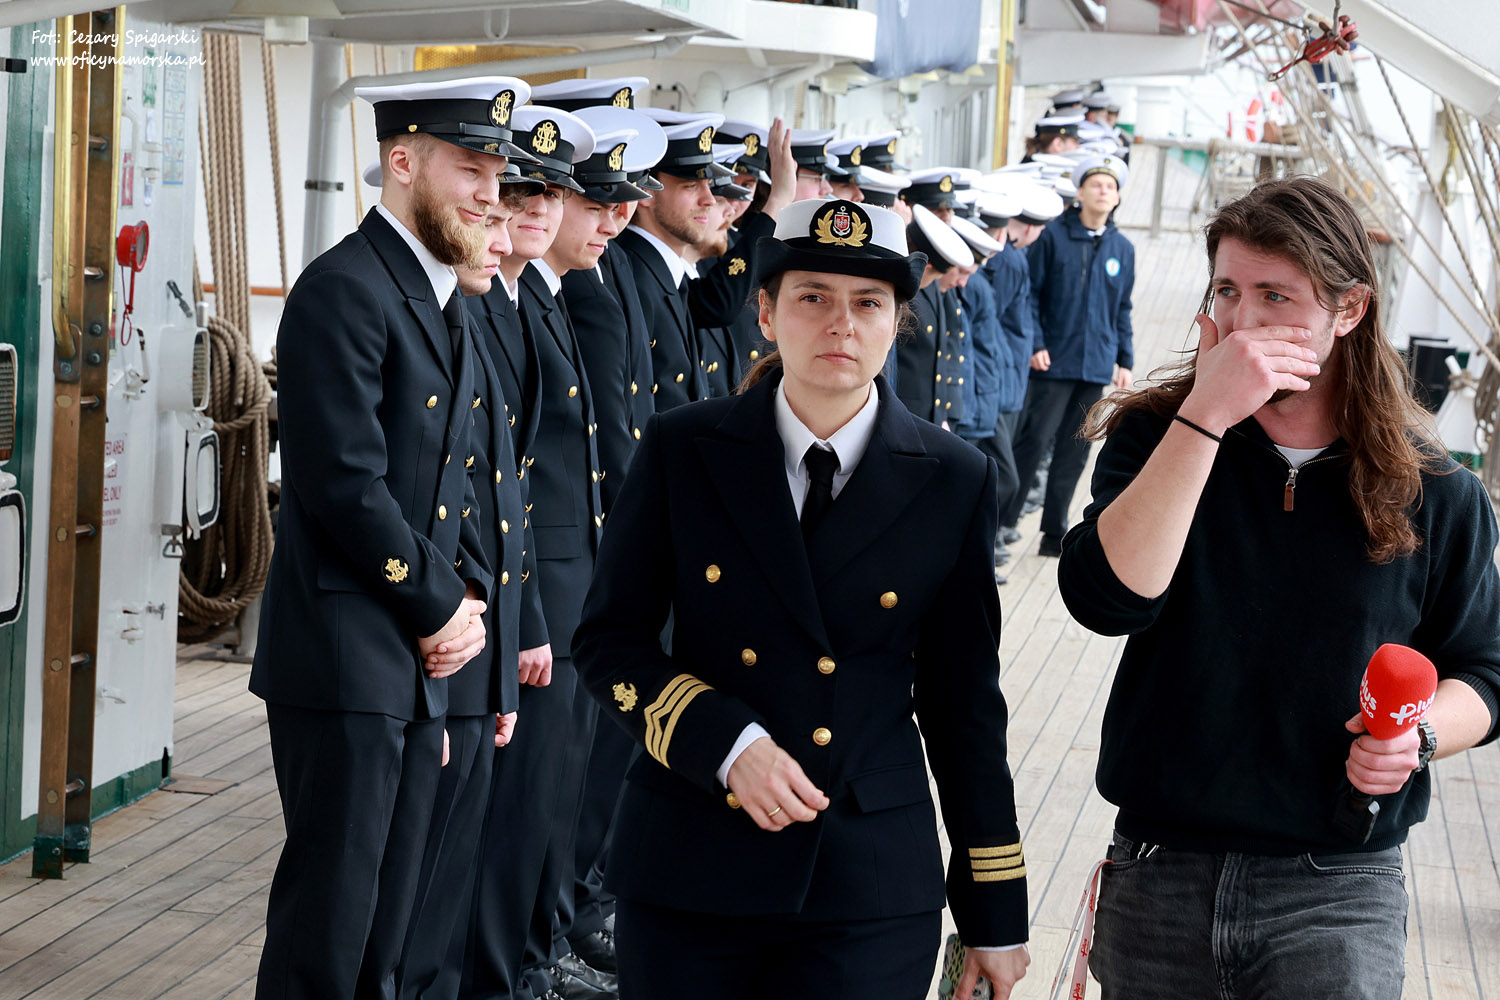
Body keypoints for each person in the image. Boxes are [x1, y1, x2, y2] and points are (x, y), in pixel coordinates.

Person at [572, 197, 1032, 1000]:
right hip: (691, 864)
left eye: (868, 304)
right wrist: (726, 744)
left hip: (867, 880)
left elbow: (963, 706)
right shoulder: (684, 447)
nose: (840, 325)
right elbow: (609, 641)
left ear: (897, 322)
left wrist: (994, 913)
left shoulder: (954, 478)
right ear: (765, 312)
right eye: (812, 297)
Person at [1058, 176, 1500, 999]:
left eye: (1275, 296)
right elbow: (1107, 600)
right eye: (1227, 291)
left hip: (1337, 885)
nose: (1243, 322)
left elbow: (1484, 670)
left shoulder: (1437, 488)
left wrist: (1418, 738)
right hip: (1160, 869)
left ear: (1350, 309)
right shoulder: (1156, 434)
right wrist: (1205, 417)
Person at [249, 75, 531, 999]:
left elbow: (454, 486)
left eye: (496, 174)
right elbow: (342, 481)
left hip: (408, 652)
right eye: (470, 169)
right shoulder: (345, 289)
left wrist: (459, 617)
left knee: (389, 929)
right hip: (345, 654)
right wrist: (439, 606)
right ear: (401, 161)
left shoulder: (439, 297)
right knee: (330, 929)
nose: (489, 194)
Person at [1001, 154, 1134, 556]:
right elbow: (1030, 295)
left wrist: (1125, 360)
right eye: (1096, 185)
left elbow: (1122, 308)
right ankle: (1006, 521)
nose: (1103, 192)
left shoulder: (1122, 248)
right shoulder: (1052, 237)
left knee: (1075, 450)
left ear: (1117, 198)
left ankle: (1053, 532)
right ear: (1080, 193)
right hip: (1052, 361)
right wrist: (1037, 344)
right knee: (1034, 440)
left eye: (1110, 187)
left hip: (1095, 365)